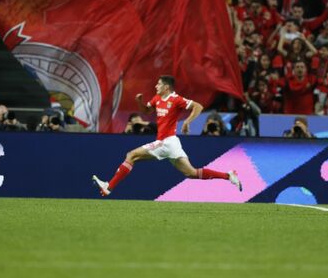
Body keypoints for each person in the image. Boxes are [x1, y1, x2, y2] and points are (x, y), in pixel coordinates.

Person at [92, 75, 242, 196]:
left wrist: (187, 122)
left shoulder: (176, 99)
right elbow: (146, 111)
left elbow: (198, 106)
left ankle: (109, 187)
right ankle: (229, 176)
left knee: (131, 155)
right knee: (191, 173)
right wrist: (139, 102)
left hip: (167, 142)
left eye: (158, 84)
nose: (156, 86)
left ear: (166, 87)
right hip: (170, 143)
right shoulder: (157, 99)